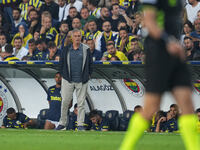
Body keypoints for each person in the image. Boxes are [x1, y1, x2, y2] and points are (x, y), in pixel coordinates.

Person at [120, 1, 200, 150]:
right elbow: (149, 22)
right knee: (151, 107)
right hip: (158, 52)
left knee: (187, 104)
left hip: (175, 52)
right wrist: (168, 41)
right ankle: (126, 147)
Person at [56, 29, 93, 130]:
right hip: (68, 80)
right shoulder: (66, 49)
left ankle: (80, 124)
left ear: (81, 37)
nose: (77, 38)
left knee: (81, 103)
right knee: (64, 102)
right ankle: (62, 123)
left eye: (79, 36)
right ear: (72, 38)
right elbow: (61, 64)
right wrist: (64, 75)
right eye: (75, 36)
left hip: (82, 80)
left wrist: (88, 75)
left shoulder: (86, 49)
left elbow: (90, 64)